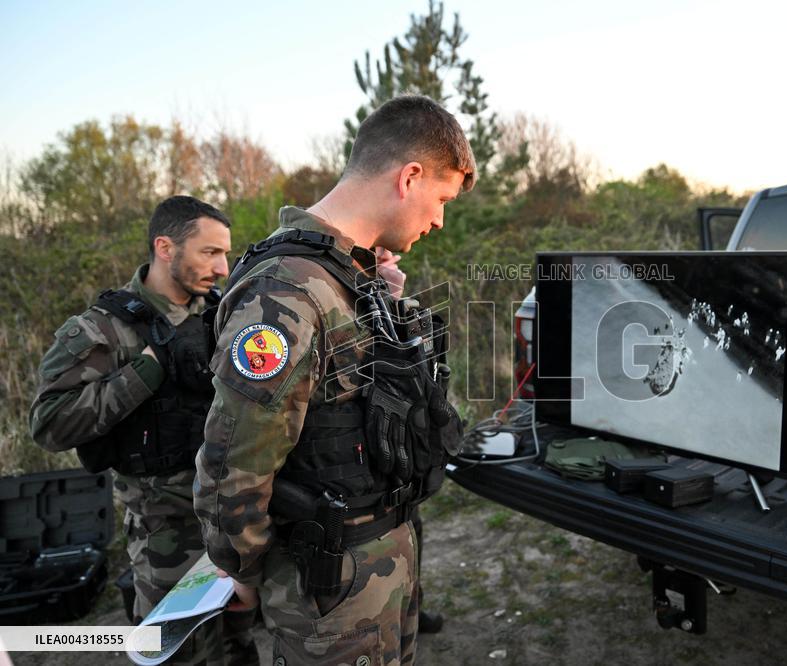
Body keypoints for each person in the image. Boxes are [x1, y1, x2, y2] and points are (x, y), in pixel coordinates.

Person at [193, 94, 473, 665]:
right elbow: (235, 458)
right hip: (328, 583)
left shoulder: (353, 274)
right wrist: (240, 566)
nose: (440, 219)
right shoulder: (286, 289)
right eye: (440, 198)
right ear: (409, 177)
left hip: (382, 560)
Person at [29, 195, 258, 665]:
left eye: (226, 253)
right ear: (166, 247)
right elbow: (48, 424)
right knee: (181, 652)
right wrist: (143, 374)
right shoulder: (103, 331)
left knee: (239, 643)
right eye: (210, 253)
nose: (222, 267)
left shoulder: (219, 312)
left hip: (228, 523)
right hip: (164, 537)